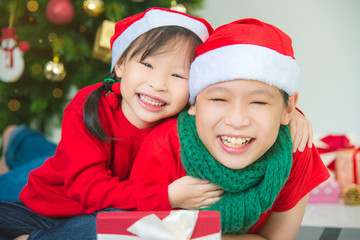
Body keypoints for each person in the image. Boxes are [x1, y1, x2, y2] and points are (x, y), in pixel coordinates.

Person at [0, 7, 220, 240]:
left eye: (178, 76)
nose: (158, 84)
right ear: (121, 65)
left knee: (118, 226)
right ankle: (19, 142)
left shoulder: (182, 127)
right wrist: (167, 196)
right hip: (51, 206)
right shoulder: (89, 107)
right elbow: (87, 189)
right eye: (147, 65)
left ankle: (21, 142)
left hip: (106, 213)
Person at [129, 18, 330, 239]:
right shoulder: (163, 146)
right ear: (193, 103)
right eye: (218, 99)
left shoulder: (296, 148)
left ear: (288, 108)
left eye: (258, 102)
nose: (237, 120)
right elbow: (137, 233)